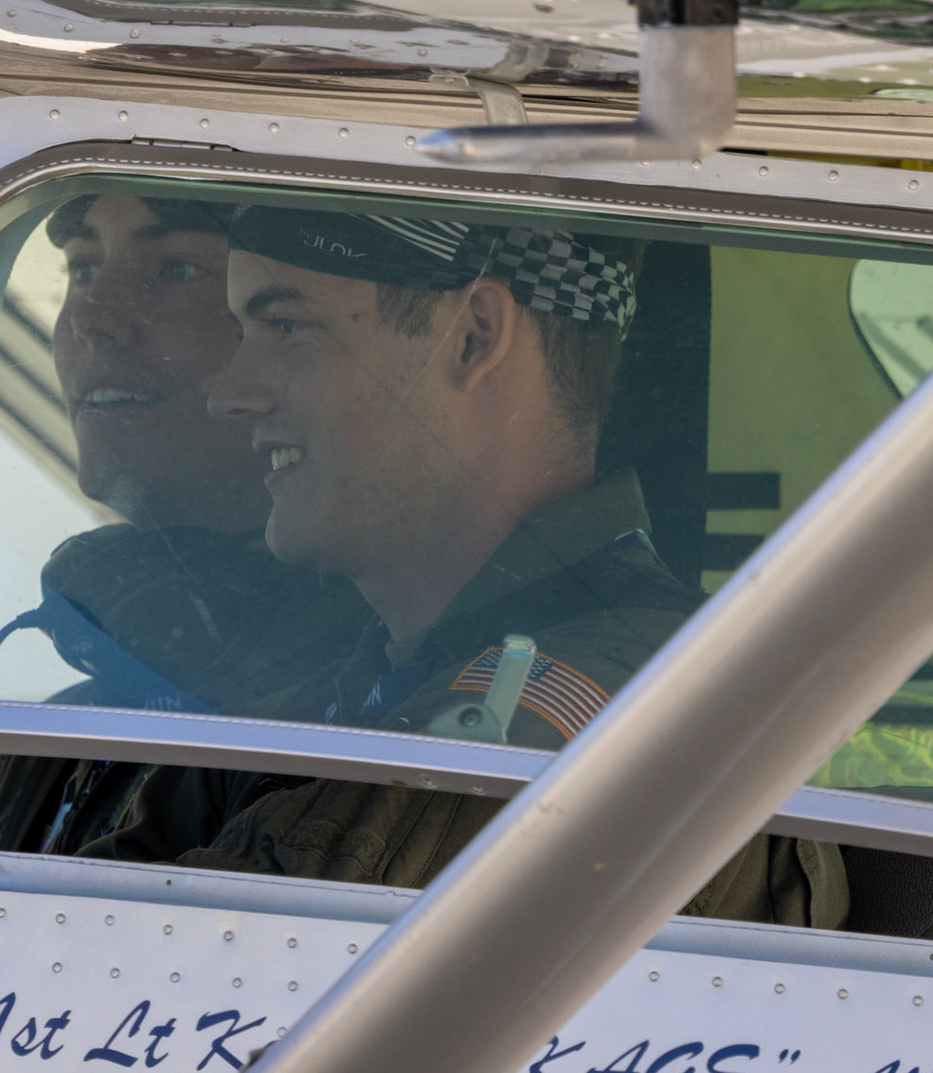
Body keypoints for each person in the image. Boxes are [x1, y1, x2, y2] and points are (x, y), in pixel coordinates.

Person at [82, 206, 847, 928]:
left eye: (286, 326)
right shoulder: (366, 676)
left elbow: (216, 971)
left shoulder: (578, 710)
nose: (228, 394)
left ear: (474, 337)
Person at [0, 189, 371, 854]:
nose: (92, 318)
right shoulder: (51, 744)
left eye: (176, 270)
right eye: (83, 269)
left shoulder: (370, 719)